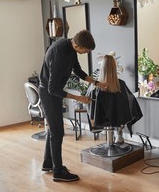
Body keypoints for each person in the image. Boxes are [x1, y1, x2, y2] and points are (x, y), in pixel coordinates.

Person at [38, 30, 107, 182]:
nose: (87, 52)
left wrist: (96, 83)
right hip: (49, 94)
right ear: (77, 45)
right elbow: (53, 89)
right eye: (86, 50)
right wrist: (78, 98)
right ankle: (58, 172)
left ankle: (48, 163)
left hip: (52, 92)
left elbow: (78, 71)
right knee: (57, 132)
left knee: (53, 130)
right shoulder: (60, 54)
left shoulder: (70, 47)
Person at [89, 54, 142, 137]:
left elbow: (90, 104)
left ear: (102, 67)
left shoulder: (96, 86)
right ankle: (119, 133)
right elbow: (129, 99)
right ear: (114, 67)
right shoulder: (120, 84)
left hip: (101, 118)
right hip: (117, 118)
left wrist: (93, 117)